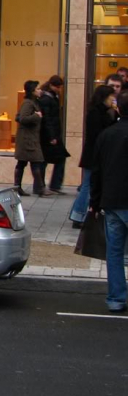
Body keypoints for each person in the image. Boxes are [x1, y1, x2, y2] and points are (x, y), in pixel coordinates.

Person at [90, 91, 128, 313]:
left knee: (114, 252)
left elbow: (97, 172)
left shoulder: (106, 135)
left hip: (112, 200)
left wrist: (95, 202)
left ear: (119, 109)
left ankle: (116, 297)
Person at [69, 85, 117, 228]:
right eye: (111, 97)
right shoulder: (95, 113)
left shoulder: (103, 112)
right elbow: (98, 134)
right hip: (93, 155)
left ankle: (78, 214)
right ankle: (79, 215)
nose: (113, 100)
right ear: (104, 97)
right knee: (88, 185)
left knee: (88, 185)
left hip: (94, 154)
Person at [13, 80, 50, 197]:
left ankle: (19, 187)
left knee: (25, 163)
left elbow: (19, 117)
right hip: (27, 139)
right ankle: (39, 188)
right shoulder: (28, 103)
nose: (40, 90)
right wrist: (36, 116)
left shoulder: (33, 102)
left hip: (30, 138)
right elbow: (23, 118)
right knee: (35, 162)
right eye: (38, 89)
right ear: (33, 91)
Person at [38, 75, 70, 194]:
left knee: (50, 159)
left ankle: (49, 185)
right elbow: (47, 119)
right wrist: (52, 136)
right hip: (49, 135)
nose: (59, 89)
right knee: (47, 160)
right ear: (51, 85)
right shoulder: (47, 99)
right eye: (58, 87)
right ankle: (47, 185)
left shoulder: (52, 97)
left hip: (52, 134)